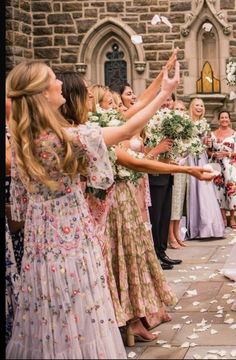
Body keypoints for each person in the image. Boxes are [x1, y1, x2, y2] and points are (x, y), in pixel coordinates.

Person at [6, 60, 180, 358]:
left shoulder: (23, 141)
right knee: (79, 312)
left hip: (39, 250)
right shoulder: (63, 140)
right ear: (41, 93)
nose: (60, 83)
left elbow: (19, 211)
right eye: (53, 79)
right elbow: (126, 131)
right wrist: (165, 92)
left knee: (49, 314)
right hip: (72, 244)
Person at [58, 70, 215, 346]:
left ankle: (129, 318)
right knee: (114, 263)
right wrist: (164, 91)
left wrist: (162, 84)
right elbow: (134, 149)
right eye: (89, 92)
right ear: (74, 98)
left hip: (95, 212)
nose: (93, 95)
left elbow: (135, 117)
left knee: (125, 260)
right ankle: (116, 322)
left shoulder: (78, 131)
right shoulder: (76, 135)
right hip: (94, 215)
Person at [148, 94, 183, 270]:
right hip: (154, 175)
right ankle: (155, 254)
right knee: (156, 216)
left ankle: (162, 252)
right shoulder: (150, 121)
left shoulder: (171, 122)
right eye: (164, 99)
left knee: (165, 215)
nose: (167, 102)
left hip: (168, 173)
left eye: (170, 100)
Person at [186, 98, 225, 239]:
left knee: (205, 188)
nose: (200, 107)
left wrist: (206, 142)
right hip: (190, 157)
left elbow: (206, 144)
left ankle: (209, 226)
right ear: (191, 107)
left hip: (201, 157)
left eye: (202, 105)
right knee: (194, 188)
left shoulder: (204, 124)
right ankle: (196, 227)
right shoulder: (186, 122)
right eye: (197, 105)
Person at [207, 111, 236, 228]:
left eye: (226, 117)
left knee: (232, 190)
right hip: (216, 166)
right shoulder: (212, 134)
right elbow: (207, 150)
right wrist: (213, 155)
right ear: (219, 120)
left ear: (229, 120)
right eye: (222, 117)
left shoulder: (234, 134)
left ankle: (233, 218)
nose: (224, 119)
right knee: (218, 191)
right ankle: (223, 218)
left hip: (230, 166)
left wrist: (227, 154)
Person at [168, 100, 188, 249]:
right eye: (177, 109)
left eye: (182, 109)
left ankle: (177, 233)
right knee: (173, 202)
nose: (180, 112)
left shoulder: (185, 129)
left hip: (183, 166)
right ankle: (170, 236)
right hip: (172, 165)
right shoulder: (169, 126)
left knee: (179, 201)